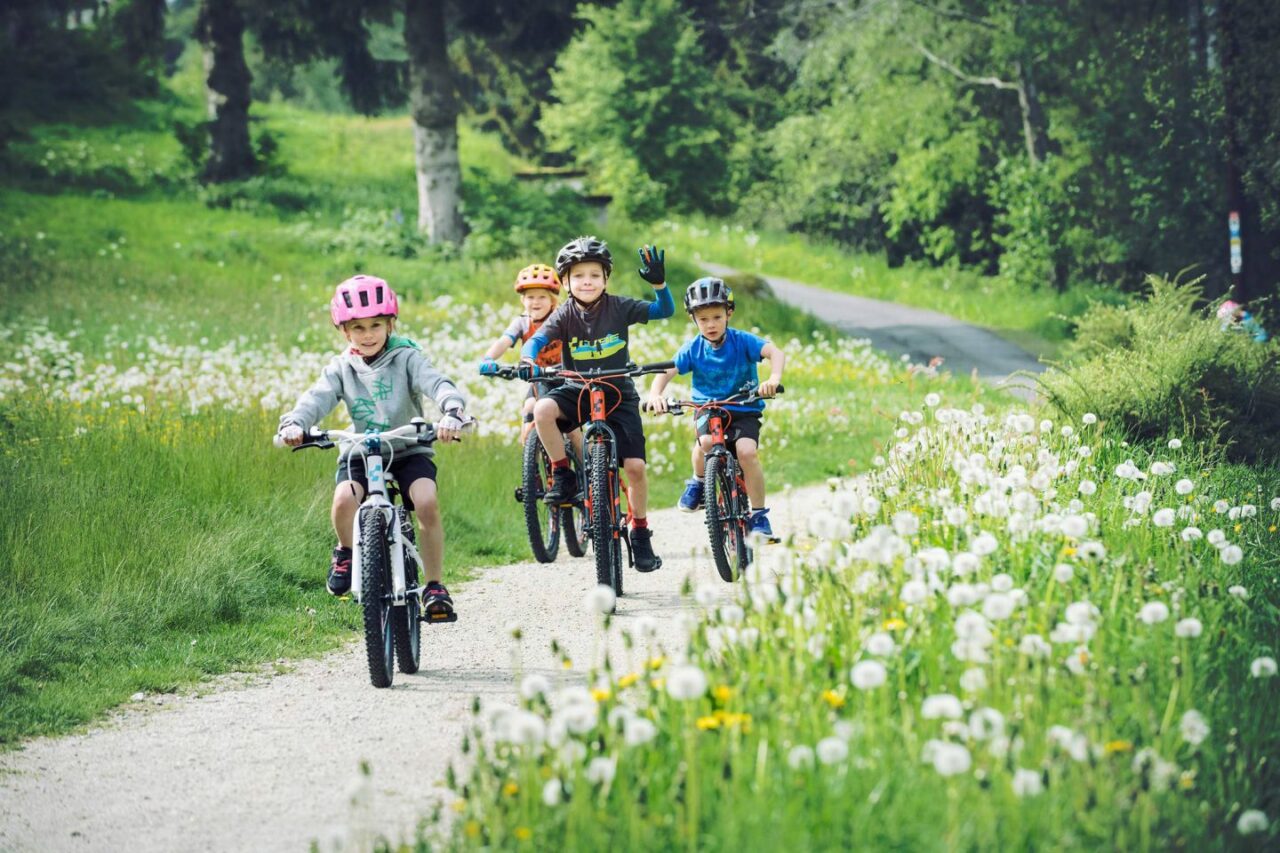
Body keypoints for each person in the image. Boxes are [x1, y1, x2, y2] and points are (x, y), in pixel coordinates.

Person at [277, 274, 469, 619]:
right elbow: (315, 399)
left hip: (409, 447)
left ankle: (435, 585)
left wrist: (452, 410)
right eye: (358, 328)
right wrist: (295, 424)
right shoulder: (340, 367)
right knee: (342, 501)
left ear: (390, 324)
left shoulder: (407, 357)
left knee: (426, 502)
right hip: (361, 451)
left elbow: (436, 382)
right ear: (344, 331)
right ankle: (347, 552)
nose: (368, 335)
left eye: (376, 326)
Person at [518, 236, 675, 572]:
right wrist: (528, 359)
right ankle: (564, 474)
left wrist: (660, 285)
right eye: (578, 276)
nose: (586, 281)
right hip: (577, 389)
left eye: (594, 274)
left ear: (606, 278)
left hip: (619, 392)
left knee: (635, 468)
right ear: (565, 282)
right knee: (542, 409)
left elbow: (665, 310)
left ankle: (641, 532)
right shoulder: (563, 314)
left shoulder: (620, 307)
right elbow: (537, 341)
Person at [647, 276, 787, 540]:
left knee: (747, 452)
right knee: (706, 443)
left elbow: (775, 353)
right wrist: (656, 394)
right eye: (703, 319)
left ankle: (759, 515)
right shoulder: (693, 349)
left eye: (716, 317)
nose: (710, 324)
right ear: (694, 320)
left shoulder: (742, 341)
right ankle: (698, 483)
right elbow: (668, 370)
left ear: (729, 313)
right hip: (708, 411)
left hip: (744, 408)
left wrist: (773, 379)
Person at [478, 264, 577, 445]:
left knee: (573, 433)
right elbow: (504, 341)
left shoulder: (561, 319)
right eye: (530, 297)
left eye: (542, 297)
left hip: (566, 378)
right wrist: (488, 359)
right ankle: (531, 466)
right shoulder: (522, 322)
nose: (535, 302)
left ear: (553, 300)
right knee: (529, 409)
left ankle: (590, 472)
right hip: (538, 378)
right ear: (523, 300)